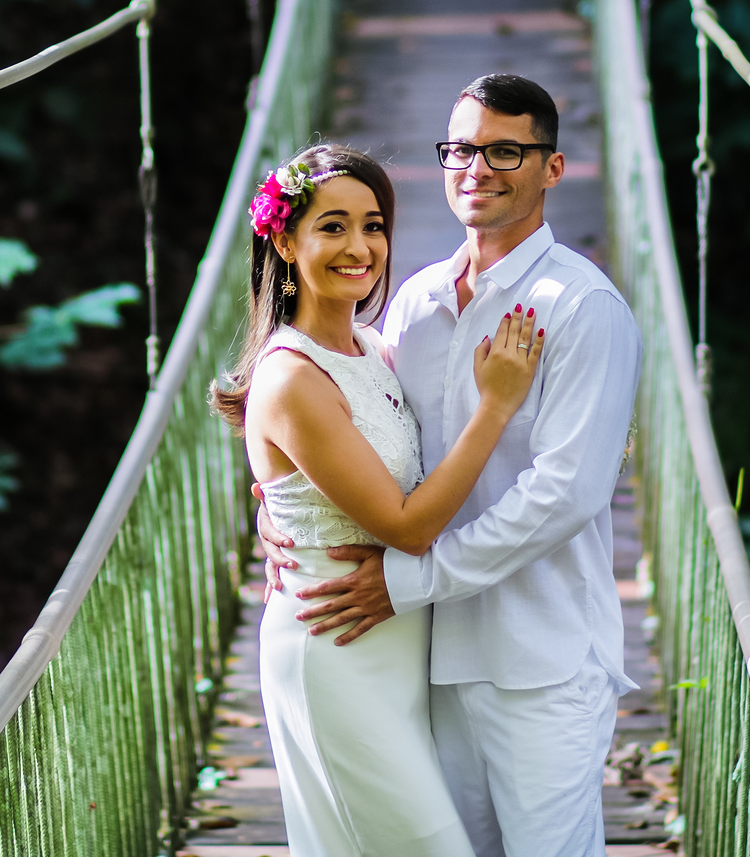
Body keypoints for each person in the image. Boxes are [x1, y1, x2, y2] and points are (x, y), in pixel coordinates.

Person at [259, 75, 644, 857]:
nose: (477, 167)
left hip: (536, 658)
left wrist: (410, 580)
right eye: (462, 148)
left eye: (506, 150)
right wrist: (284, 512)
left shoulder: (581, 308)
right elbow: (355, 438)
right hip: (425, 662)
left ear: (553, 167)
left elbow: (566, 494)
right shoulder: (414, 304)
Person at [211, 142, 545, 857]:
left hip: (397, 648)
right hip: (334, 650)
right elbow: (407, 526)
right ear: (283, 237)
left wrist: (273, 506)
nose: (360, 247)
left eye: (373, 225)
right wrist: (497, 406)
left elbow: (358, 470)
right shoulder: (291, 378)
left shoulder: (373, 346)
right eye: (332, 226)